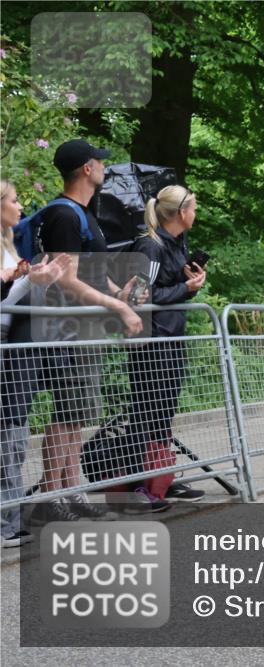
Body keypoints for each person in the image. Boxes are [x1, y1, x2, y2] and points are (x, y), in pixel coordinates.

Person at [30, 139, 144, 525]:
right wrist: (118, 306)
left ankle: (72, 491)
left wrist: (119, 291)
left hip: (82, 326)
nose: (104, 167)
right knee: (66, 413)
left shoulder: (81, 213)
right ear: (86, 169)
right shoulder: (64, 215)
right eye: (99, 162)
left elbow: (91, 274)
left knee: (77, 413)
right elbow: (68, 281)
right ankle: (52, 498)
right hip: (69, 327)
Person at [118, 185, 207, 512]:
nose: (196, 214)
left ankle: (160, 478)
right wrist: (183, 288)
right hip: (150, 344)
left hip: (171, 340)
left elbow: (169, 290)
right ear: (181, 213)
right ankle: (134, 489)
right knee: (145, 413)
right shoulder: (151, 247)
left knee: (163, 414)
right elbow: (139, 298)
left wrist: (189, 287)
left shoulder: (176, 244)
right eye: (194, 208)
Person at [1, 180, 71, 547]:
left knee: (14, 435)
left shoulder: (11, 247)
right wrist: (31, 279)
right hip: (7, 348)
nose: (20, 206)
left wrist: (35, 278)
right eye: (14, 200)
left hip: (17, 347)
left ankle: (10, 519)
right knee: (8, 435)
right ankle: (5, 523)